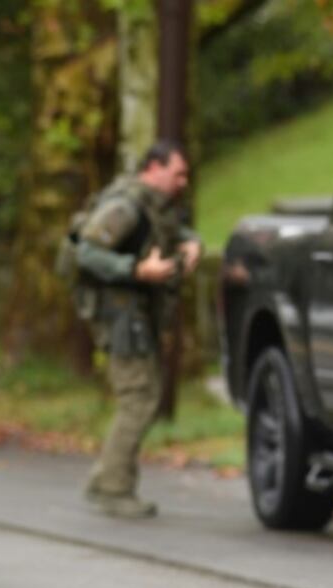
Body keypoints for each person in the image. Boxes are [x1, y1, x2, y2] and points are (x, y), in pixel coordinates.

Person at [77, 140, 201, 519]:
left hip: (134, 314)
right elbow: (88, 253)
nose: (183, 181)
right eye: (177, 172)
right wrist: (134, 270)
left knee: (143, 395)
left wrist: (192, 242)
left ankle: (107, 480)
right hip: (119, 316)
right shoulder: (125, 206)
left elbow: (174, 230)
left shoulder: (155, 206)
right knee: (139, 398)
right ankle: (112, 488)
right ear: (153, 168)